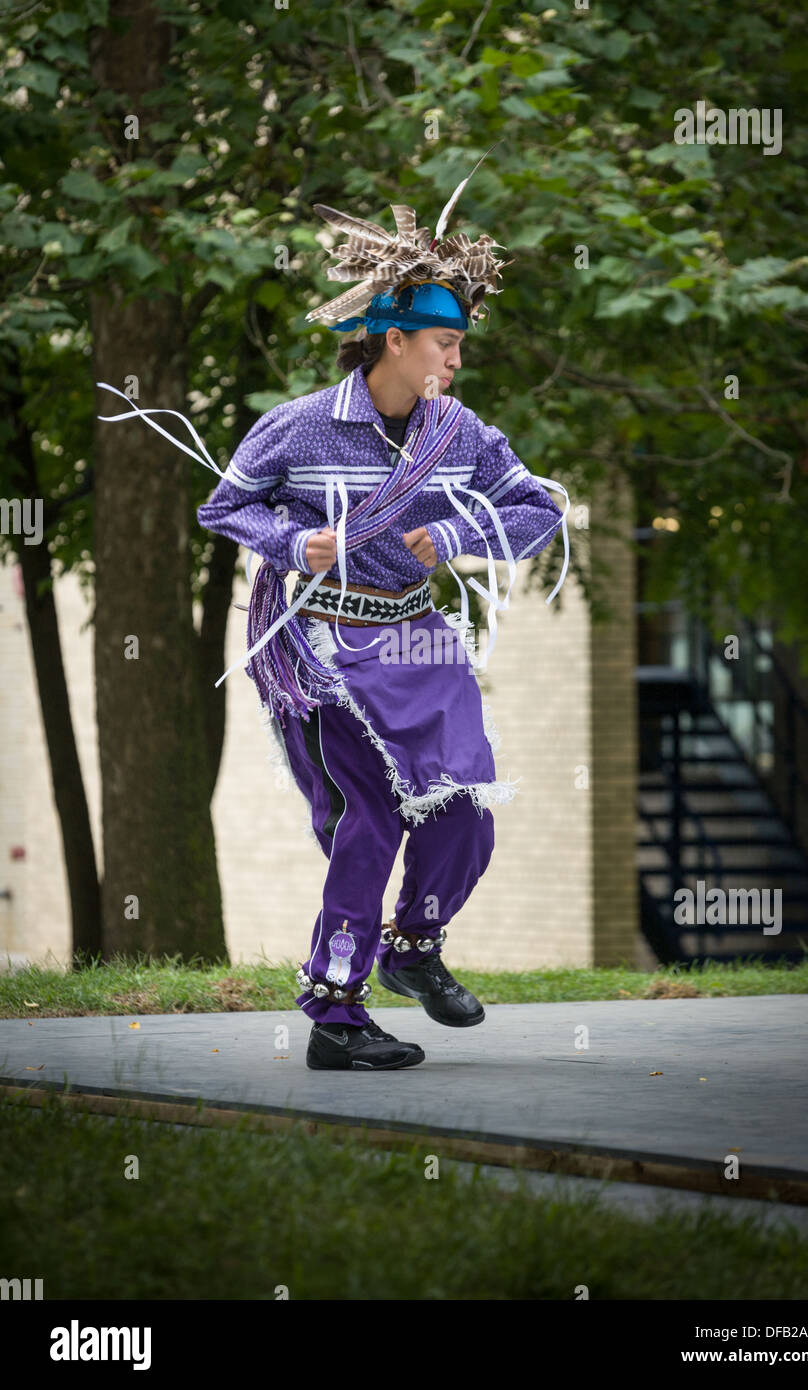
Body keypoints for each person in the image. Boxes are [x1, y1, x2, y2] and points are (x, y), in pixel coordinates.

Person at [100, 180, 570, 1072]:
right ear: (394, 341)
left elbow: (538, 509)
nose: (456, 362)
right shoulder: (297, 428)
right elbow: (222, 508)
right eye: (446, 343)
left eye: (461, 345)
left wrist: (465, 534)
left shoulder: (459, 430)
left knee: (467, 813)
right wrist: (293, 542)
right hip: (322, 644)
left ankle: (414, 946)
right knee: (375, 814)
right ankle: (335, 1010)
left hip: (419, 638)